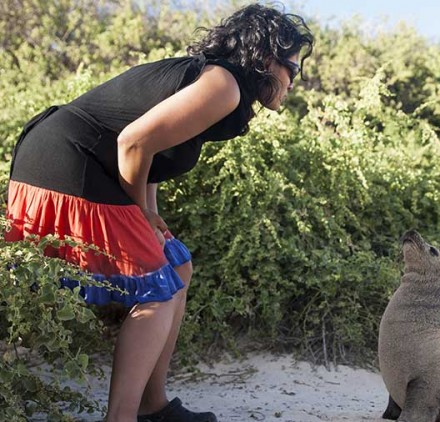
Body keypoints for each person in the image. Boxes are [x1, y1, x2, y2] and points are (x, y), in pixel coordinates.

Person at [4, 3, 313, 422]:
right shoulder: (223, 85)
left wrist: (148, 214)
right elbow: (132, 143)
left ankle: (154, 406)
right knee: (158, 287)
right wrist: (139, 215)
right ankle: (123, 418)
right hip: (66, 163)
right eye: (292, 68)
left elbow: (150, 153)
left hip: (72, 161)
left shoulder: (219, 83)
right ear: (264, 60)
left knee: (175, 268)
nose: (295, 80)